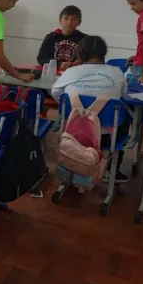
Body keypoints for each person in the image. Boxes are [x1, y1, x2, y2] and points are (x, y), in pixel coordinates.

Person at [51, 36, 130, 182]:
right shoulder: (117, 72)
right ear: (104, 53)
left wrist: (74, 108)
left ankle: (71, 167)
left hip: (73, 134)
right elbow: (122, 95)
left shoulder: (70, 72)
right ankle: (112, 170)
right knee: (124, 116)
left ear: (80, 55)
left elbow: (57, 94)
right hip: (107, 137)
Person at [36, 5, 87, 70]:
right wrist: (59, 64)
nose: (69, 22)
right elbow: (41, 58)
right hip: (53, 72)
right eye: (66, 18)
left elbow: (91, 60)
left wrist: (82, 61)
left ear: (79, 22)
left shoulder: (85, 39)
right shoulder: (51, 37)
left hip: (75, 73)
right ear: (60, 20)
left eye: (74, 19)